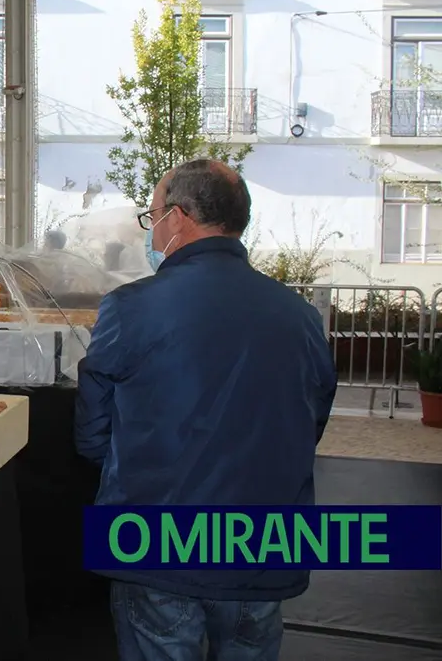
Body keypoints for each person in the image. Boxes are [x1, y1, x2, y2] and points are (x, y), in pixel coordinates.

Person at [74, 159, 337, 660]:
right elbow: (311, 420)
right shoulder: (300, 316)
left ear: (177, 218)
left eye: (151, 217)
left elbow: (92, 431)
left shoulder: (131, 307)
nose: (150, 232)